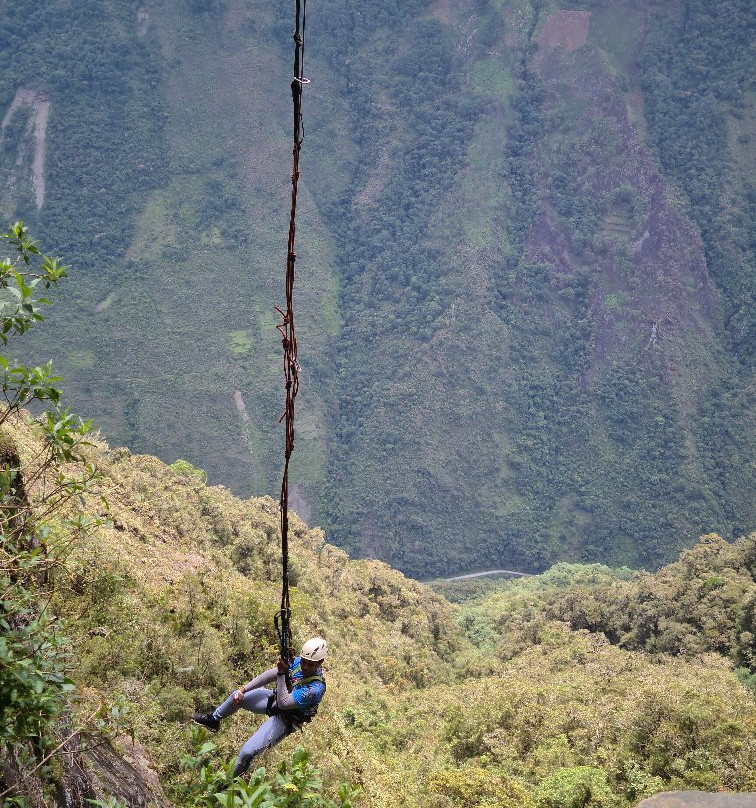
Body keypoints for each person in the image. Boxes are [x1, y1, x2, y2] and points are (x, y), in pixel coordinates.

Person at [192, 637, 328, 778]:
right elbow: (270, 675)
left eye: (310, 664)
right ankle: (214, 720)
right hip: (275, 700)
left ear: (320, 662)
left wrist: (282, 674)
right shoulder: (298, 662)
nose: (305, 666)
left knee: (247, 752)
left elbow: (284, 703)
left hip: (287, 719)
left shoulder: (315, 689)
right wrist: (243, 690)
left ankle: (230, 781)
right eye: (304, 661)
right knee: (236, 696)